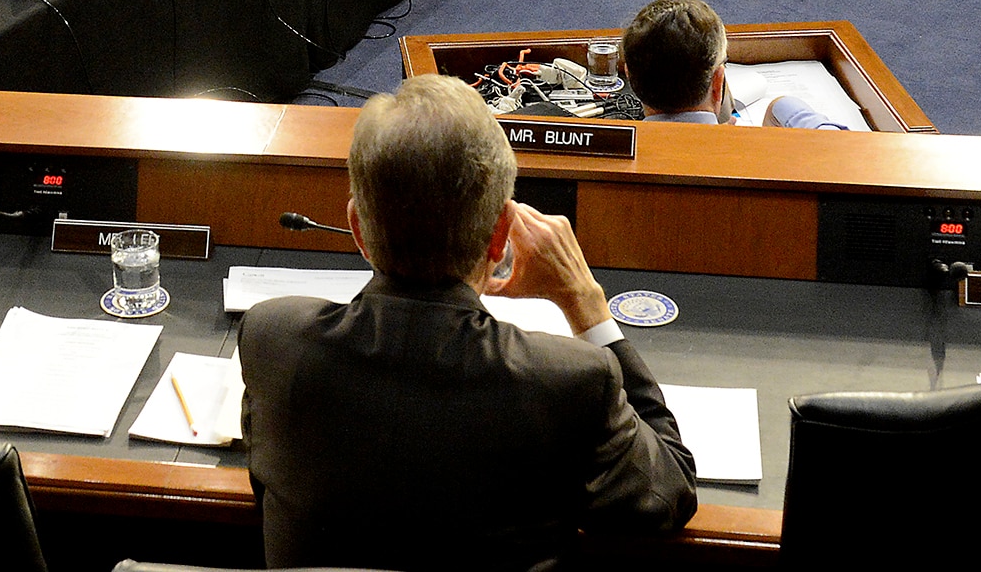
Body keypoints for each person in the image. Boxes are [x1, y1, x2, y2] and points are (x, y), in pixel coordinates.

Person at [238, 73, 698, 570]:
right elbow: (667, 494)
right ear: (500, 234)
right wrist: (587, 305)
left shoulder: (272, 338)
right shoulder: (569, 381)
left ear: (358, 229)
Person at [620, 0, 848, 129]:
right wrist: (784, 107)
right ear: (718, 82)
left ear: (629, 74)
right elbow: (842, 151)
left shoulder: (605, 155)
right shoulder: (755, 161)